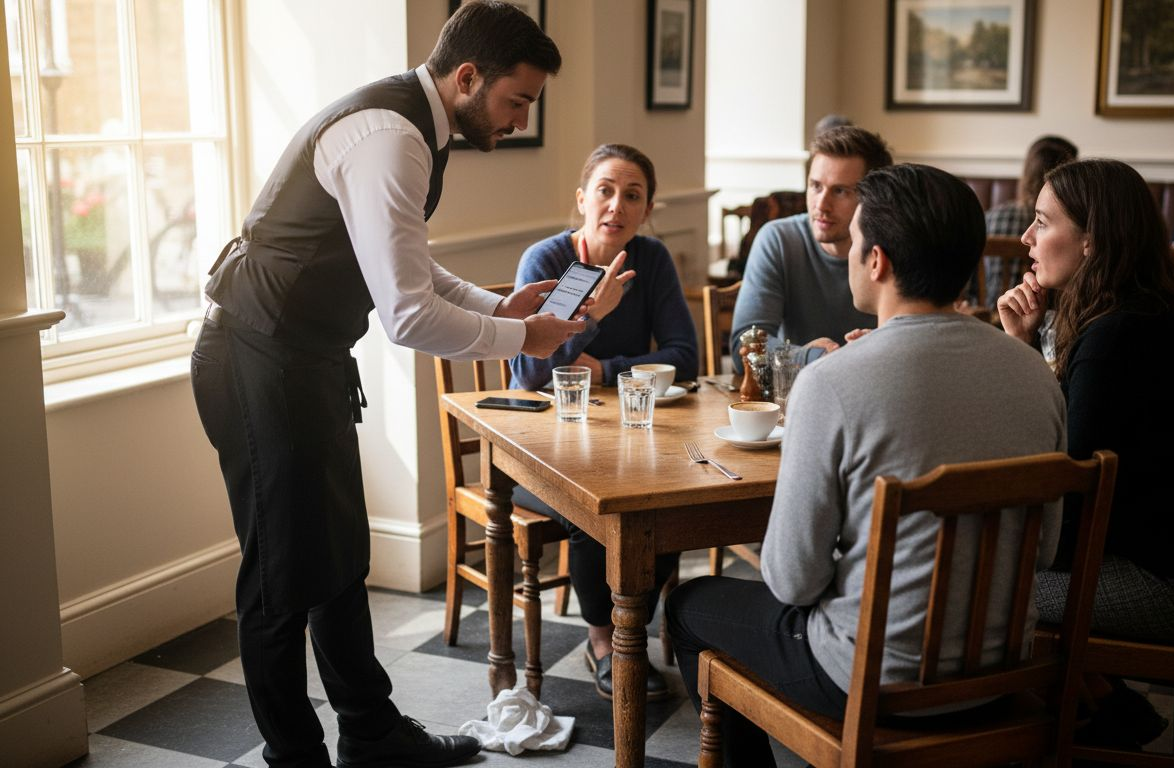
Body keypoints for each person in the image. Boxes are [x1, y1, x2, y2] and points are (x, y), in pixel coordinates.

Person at [190, 4, 584, 767]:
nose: (518, 119)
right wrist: (520, 337)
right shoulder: (389, 136)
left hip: (305, 359)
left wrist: (496, 307)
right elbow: (404, 314)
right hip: (252, 356)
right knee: (278, 574)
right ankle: (293, 755)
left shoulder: (413, 130)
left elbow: (405, 263)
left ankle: (370, 734)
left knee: (338, 554)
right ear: (467, 78)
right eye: (517, 101)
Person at [667, 164, 1068, 768]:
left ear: (876, 261)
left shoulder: (832, 383)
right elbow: (1043, 550)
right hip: (1005, 666)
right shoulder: (1037, 376)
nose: (849, 252)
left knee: (688, 607)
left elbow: (791, 580)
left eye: (854, 243)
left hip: (873, 677)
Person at [998, 158, 1174, 747]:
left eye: (1042, 222)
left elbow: (1069, 499)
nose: (1026, 237)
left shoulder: (1118, 335)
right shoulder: (1130, 313)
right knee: (1001, 566)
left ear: (1092, 240)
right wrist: (1025, 346)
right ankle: (1102, 709)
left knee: (987, 582)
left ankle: (1051, 732)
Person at [507, 144, 698, 699]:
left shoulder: (653, 259)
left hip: (632, 437)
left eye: (632, 195)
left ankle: (630, 624)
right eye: (606, 191)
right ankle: (605, 642)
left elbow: (686, 356)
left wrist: (607, 366)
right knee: (595, 509)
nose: (617, 205)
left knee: (673, 499)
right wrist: (595, 318)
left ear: (646, 208)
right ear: (582, 199)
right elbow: (532, 372)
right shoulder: (547, 262)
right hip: (548, 448)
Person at [729, 126, 892, 372]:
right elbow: (745, 347)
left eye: (840, 191)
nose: (821, 205)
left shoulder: (896, 245)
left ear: (873, 198)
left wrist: (880, 347)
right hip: (794, 399)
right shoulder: (779, 240)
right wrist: (811, 356)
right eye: (815, 186)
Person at [979, 135, 1078, 301]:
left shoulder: (990, 218)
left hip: (990, 312)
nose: (1026, 237)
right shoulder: (1064, 225)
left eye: (1041, 223)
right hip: (1043, 311)